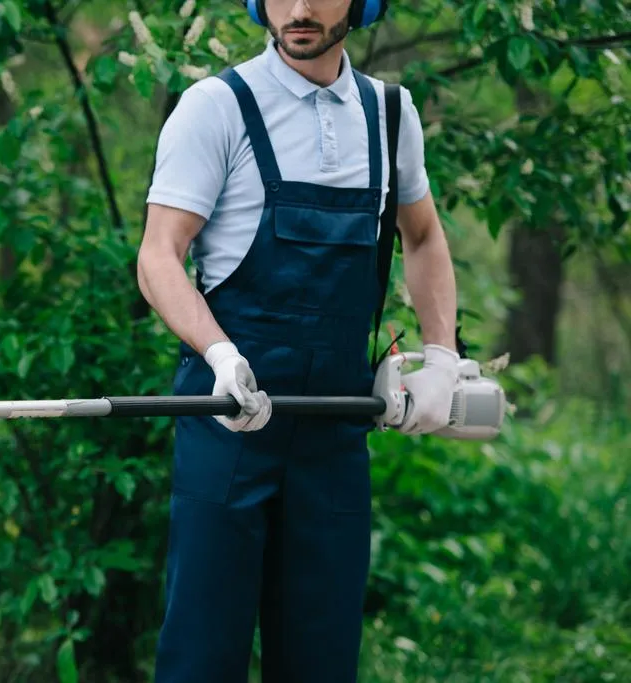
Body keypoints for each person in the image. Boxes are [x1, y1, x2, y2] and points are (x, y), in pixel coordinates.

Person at [136, 0, 461, 681]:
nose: (301, 9)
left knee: (321, 660)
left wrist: (442, 357)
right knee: (201, 656)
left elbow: (424, 234)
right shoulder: (215, 108)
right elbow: (159, 256)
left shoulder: (390, 116)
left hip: (334, 435)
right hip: (226, 420)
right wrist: (221, 354)